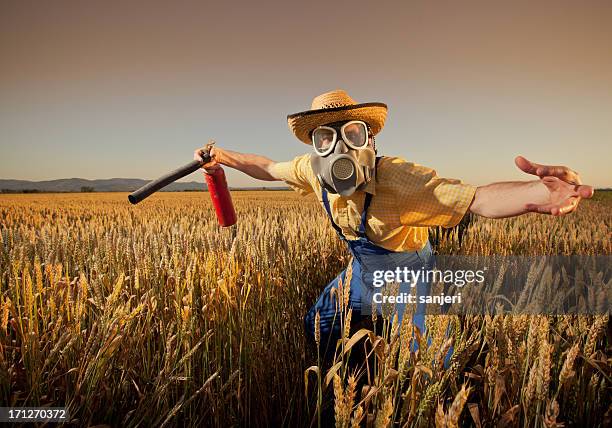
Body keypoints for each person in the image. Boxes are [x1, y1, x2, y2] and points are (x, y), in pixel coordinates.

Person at [194, 89, 594, 357]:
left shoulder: (399, 179)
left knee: (431, 359)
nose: (339, 150)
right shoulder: (311, 172)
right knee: (318, 323)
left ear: (371, 141)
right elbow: (266, 167)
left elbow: (479, 198)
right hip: (362, 274)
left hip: (410, 277)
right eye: (324, 139)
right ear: (314, 149)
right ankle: (344, 384)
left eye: (352, 133)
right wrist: (223, 157)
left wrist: (545, 193)